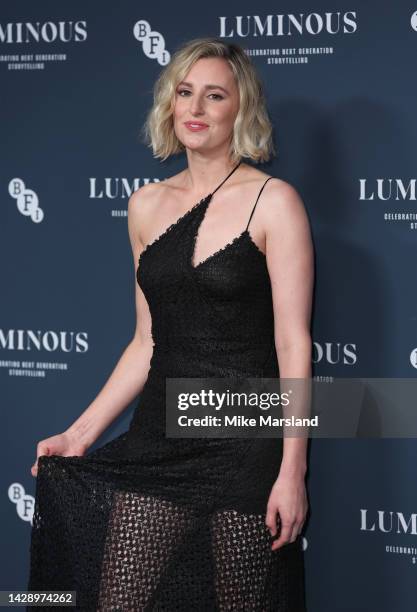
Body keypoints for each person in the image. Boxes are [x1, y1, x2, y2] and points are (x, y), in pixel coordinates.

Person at [28, 36, 313, 611]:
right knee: (119, 601)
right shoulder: (145, 205)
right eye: (186, 93)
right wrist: (78, 436)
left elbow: (293, 345)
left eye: (214, 96)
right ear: (169, 104)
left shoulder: (274, 201)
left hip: (246, 438)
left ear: (241, 110)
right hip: (160, 436)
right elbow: (145, 342)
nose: (196, 109)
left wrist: (292, 471)